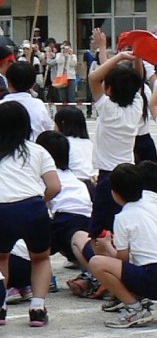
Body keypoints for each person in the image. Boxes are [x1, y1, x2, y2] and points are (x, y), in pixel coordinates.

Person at [86, 164, 157, 328]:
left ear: (114, 193)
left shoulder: (123, 217)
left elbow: (123, 259)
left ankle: (134, 309)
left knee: (97, 262)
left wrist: (107, 247)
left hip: (154, 280)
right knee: (147, 259)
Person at [85, 28, 145, 259]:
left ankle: (110, 270)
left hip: (108, 177)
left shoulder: (107, 109)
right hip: (130, 173)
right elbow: (136, 80)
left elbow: (94, 78)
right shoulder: (136, 106)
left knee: (99, 232)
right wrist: (137, 56)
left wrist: (118, 55)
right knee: (123, 227)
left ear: (109, 89)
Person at [0, 101, 60, 327]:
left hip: (2, 209)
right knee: (41, 258)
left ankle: (0, 306)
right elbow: (54, 186)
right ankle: (37, 308)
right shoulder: (37, 150)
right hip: (33, 208)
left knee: (1, 257)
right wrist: (39, 202)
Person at [35, 131, 92, 271]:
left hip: (65, 219)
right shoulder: (71, 175)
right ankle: (76, 257)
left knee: (37, 244)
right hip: (87, 219)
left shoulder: (47, 177)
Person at [1, 61, 54, 140]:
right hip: (35, 145)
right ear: (33, 84)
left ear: (8, 82)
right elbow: (48, 128)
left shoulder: (2, 104)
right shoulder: (39, 105)